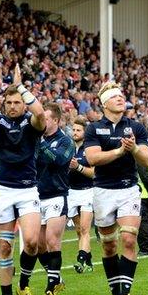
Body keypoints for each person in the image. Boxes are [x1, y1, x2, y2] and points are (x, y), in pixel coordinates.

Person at [0, 62, 46, 295]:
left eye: (17, 102)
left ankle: (24, 284)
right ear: (3, 104)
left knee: (31, 243)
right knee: (5, 246)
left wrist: (20, 86)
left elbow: (40, 114)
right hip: (3, 190)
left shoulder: (32, 123)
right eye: (9, 103)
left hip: (28, 189)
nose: (13, 106)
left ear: (24, 103)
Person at [84, 81, 148, 295]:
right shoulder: (93, 128)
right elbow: (92, 159)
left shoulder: (136, 127)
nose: (121, 99)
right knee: (109, 246)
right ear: (104, 104)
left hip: (129, 189)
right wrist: (119, 151)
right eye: (115, 97)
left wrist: (133, 149)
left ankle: (124, 294)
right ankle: (117, 294)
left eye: (122, 96)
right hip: (103, 190)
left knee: (130, 240)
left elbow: (147, 160)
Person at [35, 102, 75, 295]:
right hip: (36, 196)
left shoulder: (66, 141)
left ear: (56, 121)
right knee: (38, 245)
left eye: (46, 118)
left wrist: (40, 144)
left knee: (52, 240)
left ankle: (50, 288)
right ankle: (56, 277)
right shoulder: (37, 140)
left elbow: (59, 161)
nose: (42, 121)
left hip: (56, 195)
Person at [67, 117, 96, 274]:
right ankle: (89, 262)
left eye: (79, 130)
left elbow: (94, 174)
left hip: (87, 191)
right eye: (74, 129)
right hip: (71, 192)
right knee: (79, 230)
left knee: (85, 229)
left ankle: (80, 260)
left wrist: (78, 167)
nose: (75, 132)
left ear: (85, 132)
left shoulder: (90, 149)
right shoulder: (70, 148)